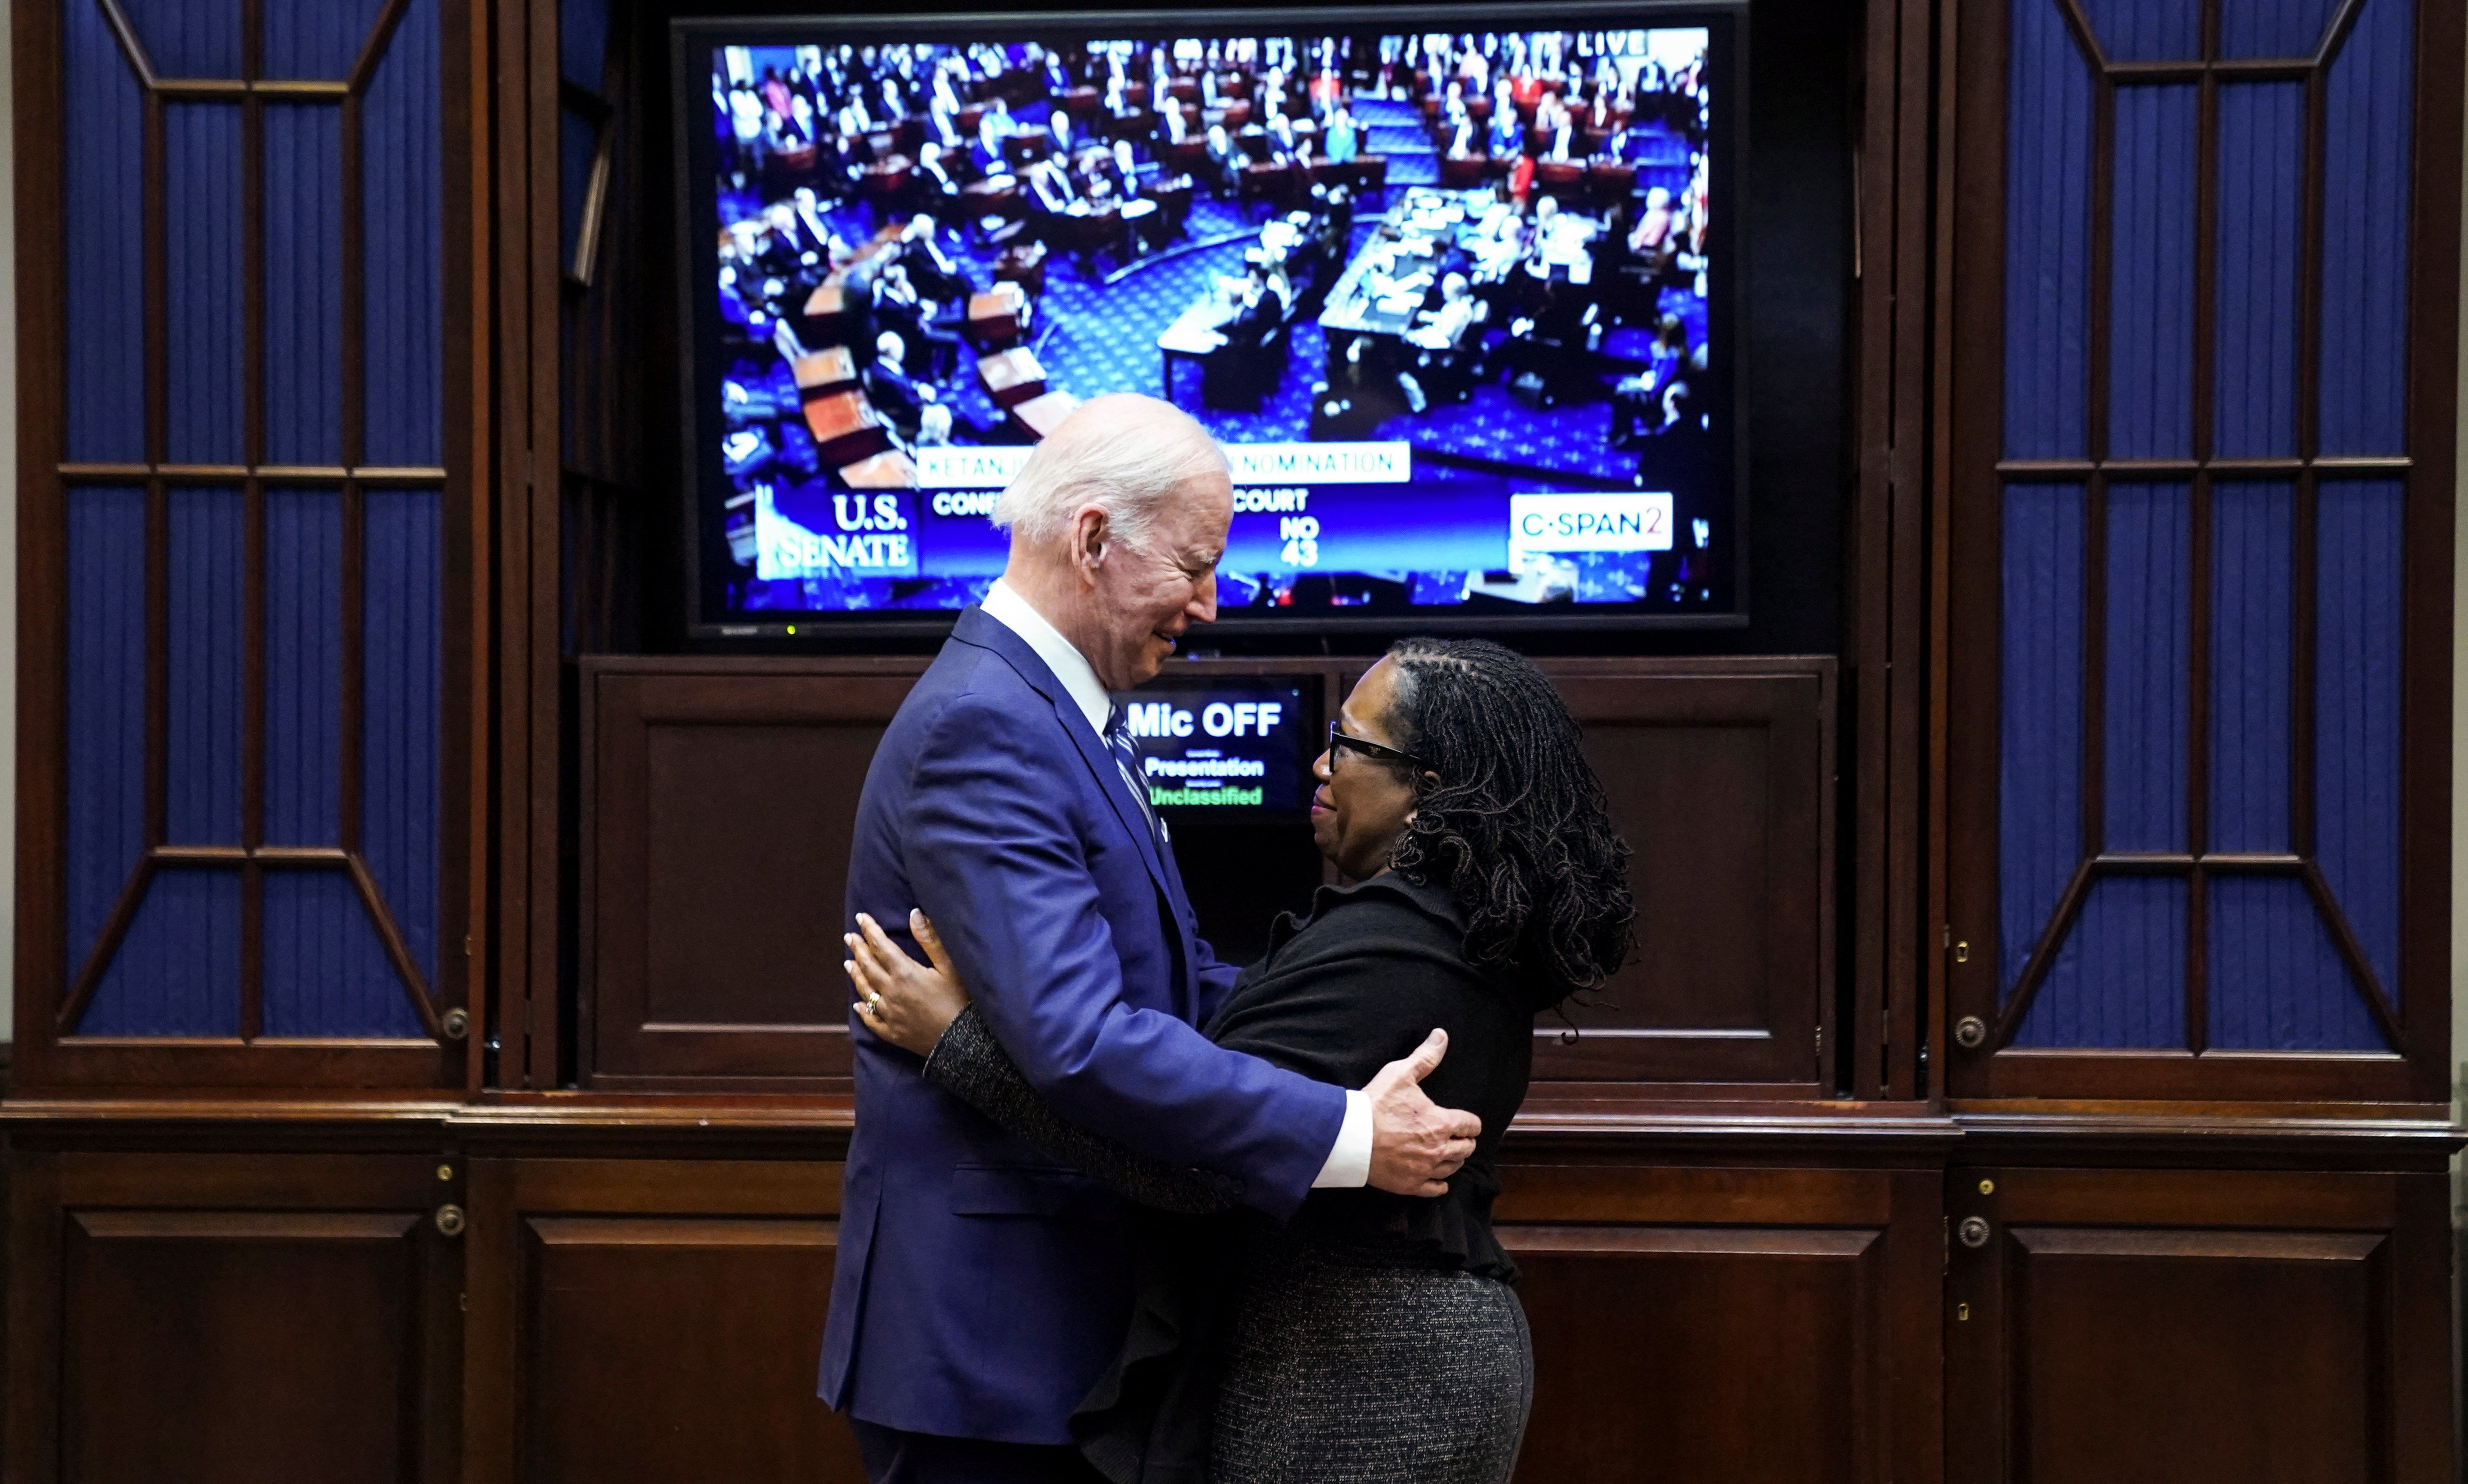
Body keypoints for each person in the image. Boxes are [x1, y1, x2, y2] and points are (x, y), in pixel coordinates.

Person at [820, 395, 1486, 1484]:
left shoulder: (1050, 706)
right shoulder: (984, 723)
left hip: (1047, 1339)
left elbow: (1162, 974)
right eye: (1194, 565)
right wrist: (1347, 1131)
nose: (1210, 604)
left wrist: (1343, 1020)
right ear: (1092, 539)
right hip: (992, 1358)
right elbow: (1079, 1037)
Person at [848, 636, 1639, 1484]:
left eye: (1348, 743)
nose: (1318, 763)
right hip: (1356, 1355)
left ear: (1427, 792)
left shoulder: (1399, 950)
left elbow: (1189, 1165)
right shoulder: (1427, 928)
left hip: (1365, 1378)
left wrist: (957, 1041)